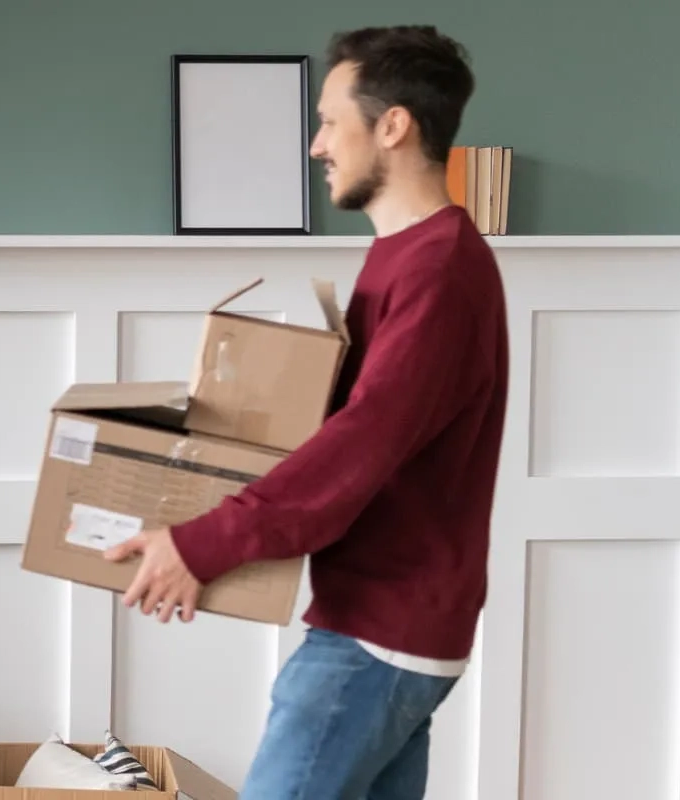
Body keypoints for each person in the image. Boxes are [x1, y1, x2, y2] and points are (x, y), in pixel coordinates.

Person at [102, 25, 506, 799]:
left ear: (392, 126)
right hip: (389, 622)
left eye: (328, 120)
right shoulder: (410, 255)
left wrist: (204, 543)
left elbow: (363, 442)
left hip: (379, 632)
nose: (317, 144)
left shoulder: (440, 270)